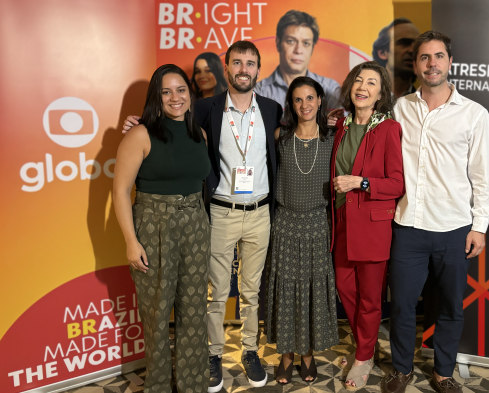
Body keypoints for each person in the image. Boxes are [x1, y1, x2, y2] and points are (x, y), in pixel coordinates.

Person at [122, 41, 283, 392]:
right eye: (237, 62)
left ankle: (250, 351)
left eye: (250, 63)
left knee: (252, 291)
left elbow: (291, 138)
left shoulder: (272, 109)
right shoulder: (205, 108)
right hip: (220, 212)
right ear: (226, 68)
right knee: (214, 293)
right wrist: (136, 123)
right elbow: (167, 124)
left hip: (259, 212)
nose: (243, 69)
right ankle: (212, 356)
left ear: (259, 69)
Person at [380, 31, 489, 393]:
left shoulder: (474, 114)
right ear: (416, 65)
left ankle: (444, 372)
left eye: (439, 56)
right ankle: (402, 369)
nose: (432, 64)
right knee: (401, 306)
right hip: (408, 226)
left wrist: (480, 226)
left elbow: (484, 176)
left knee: (450, 307)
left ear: (450, 62)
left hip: (454, 229)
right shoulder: (400, 108)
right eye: (425, 57)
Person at [114, 64, 211, 393]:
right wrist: (131, 241)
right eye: (166, 91)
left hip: (196, 225)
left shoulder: (200, 134)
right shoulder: (140, 135)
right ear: (156, 97)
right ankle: (157, 386)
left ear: (190, 94)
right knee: (156, 315)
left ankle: (192, 385)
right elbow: (120, 191)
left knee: (194, 311)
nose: (175, 97)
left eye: (181, 90)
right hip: (154, 226)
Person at [331, 61, 405, 390]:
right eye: (359, 80)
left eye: (371, 83)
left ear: (380, 94)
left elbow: (396, 184)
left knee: (371, 299)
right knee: (346, 288)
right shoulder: (341, 126)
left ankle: (363, 356)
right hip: (342, 222)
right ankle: (366, 345)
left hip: (373, 227)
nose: (363, 87)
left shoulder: (388, 129)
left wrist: (360, 182)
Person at [264, 77, 339, 384]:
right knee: (285, 291)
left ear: (320, 100)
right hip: (285, 224)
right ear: (291, 104)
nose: (305, 104)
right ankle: (286, 355)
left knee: (311, 291)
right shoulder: (280, 136)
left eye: (310, 98)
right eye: (298, 99)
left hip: (318, 225)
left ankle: (307, 354)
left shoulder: (332, 137)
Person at [255, 10, 342, 113]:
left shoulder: (330, 89)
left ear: (312, 48)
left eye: (306, 43)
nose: (298, 50)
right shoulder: (258, 92)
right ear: (278, 43)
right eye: (291, 41)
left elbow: (343, 121)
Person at [372, 18, 420, 97]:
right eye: (404, 43)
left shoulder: (426, 101)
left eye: (418, 45)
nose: (413, 50)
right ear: (383, 53)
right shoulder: (366, 98)